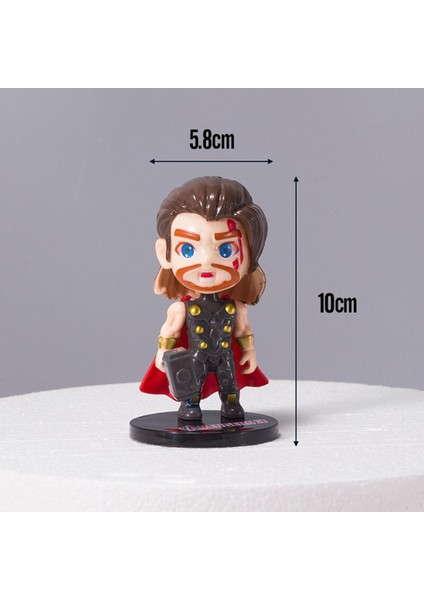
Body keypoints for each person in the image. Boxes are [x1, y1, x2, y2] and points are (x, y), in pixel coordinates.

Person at [140, 175, 269, 420]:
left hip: (224, 355)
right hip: (196, 355)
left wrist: (249, 351)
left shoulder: (236, 307)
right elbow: (169, 331)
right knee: (192, 384)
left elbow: (243, 331)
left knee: (229, 383)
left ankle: (231, 405)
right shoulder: (181, 310)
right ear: (164, 253)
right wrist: (162, 353)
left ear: (251, 256)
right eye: (188, 249)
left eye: (226, 249)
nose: (207, 261)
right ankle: (190, 405)